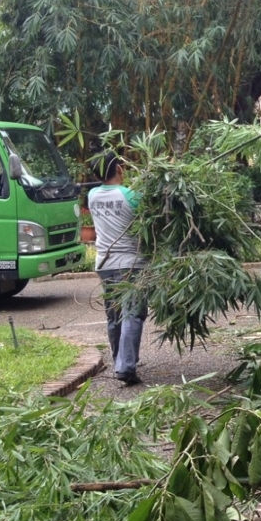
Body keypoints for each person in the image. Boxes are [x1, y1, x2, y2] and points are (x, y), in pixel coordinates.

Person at [87, 151, 147, 386]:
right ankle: (126, 366)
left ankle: (119, 361)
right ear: (120, 169)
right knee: (133, 313)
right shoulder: (132, 195)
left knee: (114, 315)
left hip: (104, 263)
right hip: (131, 263)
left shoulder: (92, 195)